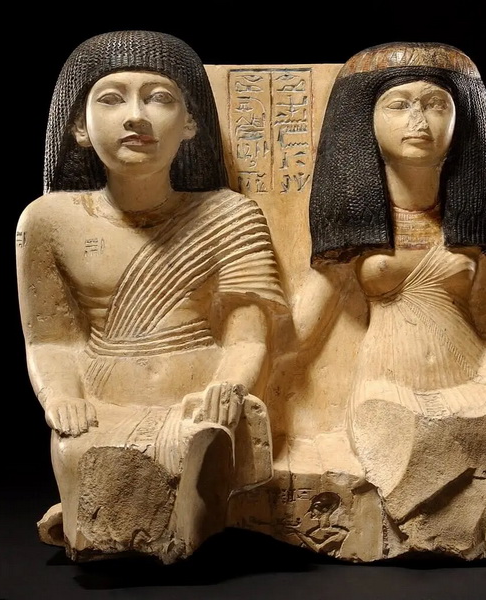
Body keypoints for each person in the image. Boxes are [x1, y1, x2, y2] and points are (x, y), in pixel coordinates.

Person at [16, 30, 287, 563]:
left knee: (202, 445)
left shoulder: (231, 215)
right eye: (111, 99)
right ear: (79, 126)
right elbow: (50, 339)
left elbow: (247, 336)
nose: (135, 117)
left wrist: (229, 386)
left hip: (196, 399)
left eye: (159, 98)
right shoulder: (46, 221)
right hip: (100, 402)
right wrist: (61, 396)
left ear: (189, 123)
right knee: (76, 448)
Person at [306, 42, 486, 557]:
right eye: (399, 104)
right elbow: (301, 330)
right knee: (399, 458)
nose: (418, 120)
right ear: (366, 119)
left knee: (467, 496)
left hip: (472, 388)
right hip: (385, 393)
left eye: (435, 104)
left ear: (460, 117)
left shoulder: (478, 227)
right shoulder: (351, 231)